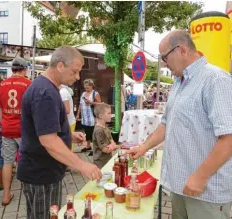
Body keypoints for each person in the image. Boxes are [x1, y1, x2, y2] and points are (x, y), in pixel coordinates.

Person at [128, 30, 232, 219]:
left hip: (205, 190)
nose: (164, 64)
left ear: (182, 51)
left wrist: (201, 176)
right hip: (180, 185)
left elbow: (229, 138)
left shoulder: (215, 80)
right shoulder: (179, 83)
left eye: (165, 58)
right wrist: (144, 147)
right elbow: (166, 123)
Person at [17, 46, 102, 219]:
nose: (77, 77)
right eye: (75, 71)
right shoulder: (46, 93)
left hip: (41, 170)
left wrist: (68, 135)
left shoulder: (47, 87)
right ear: (61, 66)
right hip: (42, 173)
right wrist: (81, 164)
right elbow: (48, 140)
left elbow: (41, 128)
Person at [0, 57, 31, 206]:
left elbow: (0, 110)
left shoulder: (2, 85)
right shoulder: (28, 84)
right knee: (27, 160)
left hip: (6, 129)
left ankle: (6, 196)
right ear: (24, 69)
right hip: (23, 130)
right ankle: (29, 192)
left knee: (7, 162)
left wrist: (4, 122)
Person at [76, 79, 101, 154]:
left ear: (91, 86)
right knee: (87, 132)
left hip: (92, 117)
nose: (86, 89)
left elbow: (100, 103)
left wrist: (91, 102)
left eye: (88, 87)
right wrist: (78, 114)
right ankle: (88, 146)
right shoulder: (83, 94)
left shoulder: (95, 93)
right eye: (85, 87)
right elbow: (80, 104)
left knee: (93, 133)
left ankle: (95, 148)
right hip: (85, 117)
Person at [92, 103, 119, 169]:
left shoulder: (105, 127)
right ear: (101, 116)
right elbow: (105, 150)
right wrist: (114, 146)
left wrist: (112, 145)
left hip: (107, 160)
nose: (111, 115)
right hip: (100, 163)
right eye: (109, 113)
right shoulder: (99, 131)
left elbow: (112, 141)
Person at [60, 85, 76, 151]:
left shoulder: (62, 92)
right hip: (68, 122)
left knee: (68, 146)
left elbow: (67, 110)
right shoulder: (62, 91)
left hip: (68, 123)